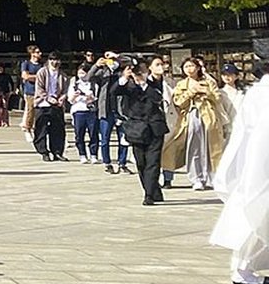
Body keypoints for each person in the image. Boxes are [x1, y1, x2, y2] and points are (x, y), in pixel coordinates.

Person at [209, 72, 268, 284]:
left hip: (254, 163)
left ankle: (243, 270)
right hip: (260, 164)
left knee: (255, 216)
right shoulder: (263, 93)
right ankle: (243, 271)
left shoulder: (257, 93)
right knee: (256, 216)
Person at [115, 56, 171, 205]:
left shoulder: (154, 81)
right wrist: (124, 77)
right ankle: (154, 191)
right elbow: (114, 92)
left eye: (143, 70)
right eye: (138, 71)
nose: (140, 73)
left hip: (154, 127)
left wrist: (144, 83)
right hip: (136, 128)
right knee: (141, 163)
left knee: (153, 162)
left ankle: (149, 195)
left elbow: (157, 98)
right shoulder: (128, 84)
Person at [168, 57, 226, 190]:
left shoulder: (208, 82)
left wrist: (207, 93)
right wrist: (190, 92)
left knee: (211, 146)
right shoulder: (181, 84)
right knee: (193, 147)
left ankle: (212, 176)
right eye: (186, 66)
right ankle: (196, 177)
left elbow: (217, 97)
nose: (189, 69)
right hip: (191, 115)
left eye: (191, 66)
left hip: (208, 115)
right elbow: (178, 102)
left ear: (198, 68)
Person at [89, 53, 132, 175]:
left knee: (123, 139)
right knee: (105, 139)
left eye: (113, 60)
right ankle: (107, 163)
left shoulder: (123, 71)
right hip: (106, 109)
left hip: (121, 110)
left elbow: (132, 61)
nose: (112, 62)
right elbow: (88, 77)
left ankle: (122, 163)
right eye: (109, 60)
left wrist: (117, 56)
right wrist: (96, 65)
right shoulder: (103, 73)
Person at [31, 52, 69, 162]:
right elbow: (39, 88)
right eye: (52, 60)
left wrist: (62, 98)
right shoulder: (42, 72)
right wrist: (48, 98)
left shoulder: (63, 75)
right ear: (48, 61)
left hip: (57, 105)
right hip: (43, 104)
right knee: (41, 129)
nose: (55, 62)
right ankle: (44, 151)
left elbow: (65, 89)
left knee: (58, 129)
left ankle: (57, 152)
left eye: (57, 60)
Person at [69, 63, 99, 163]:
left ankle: (93, 154)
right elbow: (70, 100)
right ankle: (82, 154)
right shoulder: (74, 84)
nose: (81, 75)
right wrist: (75, 96)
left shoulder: (93, 84)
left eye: (83, 72)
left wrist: (90, 98)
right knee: (79, 134)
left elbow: (96, 97)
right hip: (78, 111)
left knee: (93, 133)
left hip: (90, 111)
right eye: (80, 72)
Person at [19, 45, 43, 137]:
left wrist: (33, 77)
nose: (40, 54)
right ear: (32, 54)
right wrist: (38, 77)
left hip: (40, 91)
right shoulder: (26, 64)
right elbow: (25, 76)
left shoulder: (42, 65)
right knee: (30, 110)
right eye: (37, 52)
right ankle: (27, 128)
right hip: (30, 90)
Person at [221, 63, 249, 137]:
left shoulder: (242, 93)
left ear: (236, 76)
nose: (226, 77)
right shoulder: (219, 93)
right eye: (224, 75)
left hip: (240, 127)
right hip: (225, 128)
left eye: (229, 74)